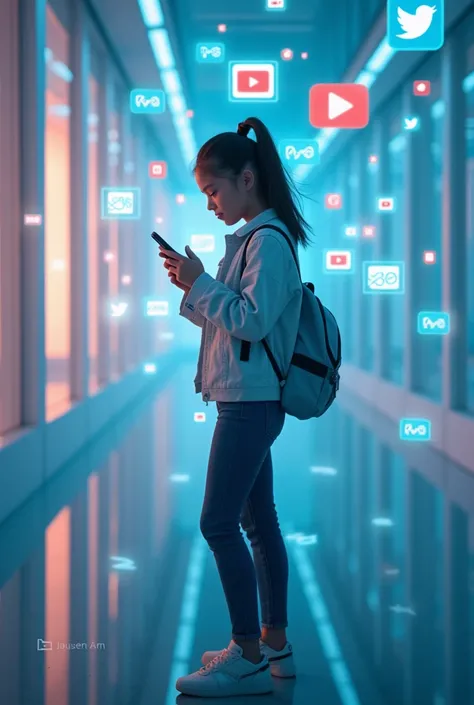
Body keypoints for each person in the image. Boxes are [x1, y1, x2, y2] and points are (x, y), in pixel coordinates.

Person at [158, 117, 313, 698]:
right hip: (244, 398)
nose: (211, 203)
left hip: (250, 404)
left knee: (218, 522)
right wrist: (192, 285)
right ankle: (274, 642)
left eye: (214, 190)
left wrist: (201, 284)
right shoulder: (255, 241)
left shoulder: (268, 243)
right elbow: (234, 326)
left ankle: (246, 653)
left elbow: (250, 319)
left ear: (247, 178)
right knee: (256, 520)